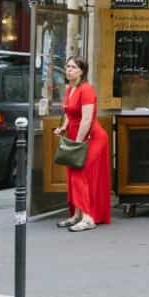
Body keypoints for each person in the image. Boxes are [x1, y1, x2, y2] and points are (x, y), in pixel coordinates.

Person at [54, 57, 112, 232]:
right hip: (76, 136)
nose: (68, 69)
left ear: (82, 71)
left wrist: (77, 143)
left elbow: (87, 119)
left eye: (73, 67)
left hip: (92, 137)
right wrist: (63, 128)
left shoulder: (86, 90)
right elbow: (69, 114)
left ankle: (88, 218)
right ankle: (77, 215)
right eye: (68, 66)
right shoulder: (69, 88)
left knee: (81, 173)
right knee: (74, 173)